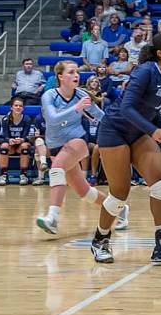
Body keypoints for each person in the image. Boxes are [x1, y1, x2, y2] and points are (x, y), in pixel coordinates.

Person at [89, 33, 161, 264]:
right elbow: (126, 107)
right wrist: (154, 132)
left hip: (138, 131)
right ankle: (100, 240)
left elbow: (153, 111)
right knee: (119, 193)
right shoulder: (146, 71)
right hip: (114, 130)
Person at [35, 61, 120, 236]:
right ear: (60, 76)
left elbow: (100, 115)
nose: (76, 75)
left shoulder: (80, 95)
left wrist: (119, 130)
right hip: (55, 146)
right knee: (84, 192)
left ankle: (52, 218)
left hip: (77, 141)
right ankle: (121, 209)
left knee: (56, 170)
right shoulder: (49, 95)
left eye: (77, 72)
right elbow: (52, 119)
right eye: (71, 72)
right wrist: (76, 108)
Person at [0, 97, 34, 185]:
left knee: (24, 147)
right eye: (16, 105)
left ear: (23, 108)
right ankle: (3, 175)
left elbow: (27, 136)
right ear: (11, 107)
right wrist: (9, 140)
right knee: (3, 146)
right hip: (10, 145)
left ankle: (23, 175)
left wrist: (22, 139)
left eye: (20, 106)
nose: (18, 107)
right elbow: (5, 135)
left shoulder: (27, 119)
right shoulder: (5, 119)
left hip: (21, 144)